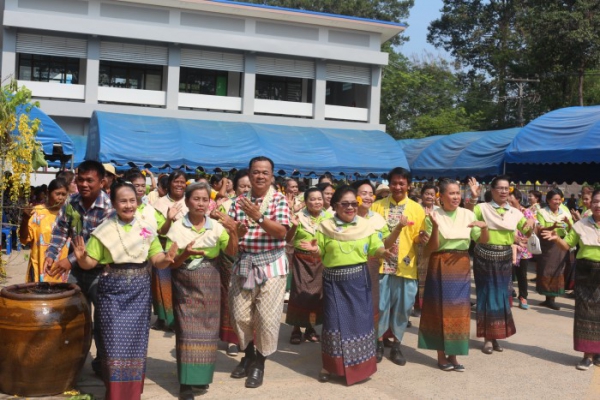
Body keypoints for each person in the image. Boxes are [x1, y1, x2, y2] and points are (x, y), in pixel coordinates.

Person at [71, 180, 177, 400]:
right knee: (113, 346)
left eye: (132, 201)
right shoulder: (104, 230)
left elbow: (156, 259)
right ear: (114, 203)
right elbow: (91, 262)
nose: (128, 205)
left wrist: (166, 259)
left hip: (139, 293)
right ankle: (116, 394)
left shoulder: (146, 229)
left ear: (137, 203)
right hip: (112, 294)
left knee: (136, 346)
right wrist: (81, 259)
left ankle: (131, 394)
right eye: (123, 201)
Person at [302, 185, 392, 385]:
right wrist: (314, 250)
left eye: (354, 203)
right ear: (335, 206)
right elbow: (321, 250)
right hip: (333, 281)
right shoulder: (325, 226)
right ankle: (330, 366)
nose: (350, 207)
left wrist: (382, 252)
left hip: (359, 280)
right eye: (345, 204)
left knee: (360, 324)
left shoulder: (366, 226)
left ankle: (360, 368)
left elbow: (376, 245)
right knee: (334, 324)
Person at [165, 182, 238, 399]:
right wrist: (185, 254)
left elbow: (231, 251)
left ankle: (201, 377)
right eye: (196, 199)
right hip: (185, 283)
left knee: (208, 331)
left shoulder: (216, 227)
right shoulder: (177, 227)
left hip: (211, 282)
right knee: (187, 331)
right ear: (187, 201)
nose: (200, 203)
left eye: (205, 199)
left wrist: (233, 232)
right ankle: (186, 384)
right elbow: (171, 263)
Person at [44, 160, 114, 376]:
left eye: (89, 180)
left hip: (100, 272)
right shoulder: (71, 202)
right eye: (80, 179)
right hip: (76, 273)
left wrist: (69, 260)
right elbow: (60, 231)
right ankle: (72, 361)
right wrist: (51, 254)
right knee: (74, 317)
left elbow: (97, 244)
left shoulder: (109, 210)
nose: (83, 184)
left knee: (102, 322)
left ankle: (102, 362)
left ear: (102, 182)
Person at [227, 156, 290, 389]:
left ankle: (258, 363)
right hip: (244, 262)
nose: (260, 176)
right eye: (256, 172)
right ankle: (249, 354)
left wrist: (258, 217)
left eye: (265, 172)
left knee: (266, 318)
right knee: (239, 315)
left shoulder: (279, 200)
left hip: (271, 265)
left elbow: (282, 232)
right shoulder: (238, 201)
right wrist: (236, 231)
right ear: (250, 174)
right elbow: (232, 237)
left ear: (271, 176)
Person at [418, 178, 488, 371]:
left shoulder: (467, 214)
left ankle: (454, 355)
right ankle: (441, 356)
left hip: (461, 265)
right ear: (441, 196)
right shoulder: (432, 216)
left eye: (458, 193)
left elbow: (481, 240)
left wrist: (485, 228)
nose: (456, 197)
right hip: (439, 264)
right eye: (451, 193)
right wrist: (436, 228)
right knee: (439, 310)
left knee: (460, 311)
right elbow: (431, 248)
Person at [468, 175, 535, 354]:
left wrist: (532, 223)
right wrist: (473, 196)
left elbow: (526, 231)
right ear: (492, 190)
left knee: (501, 296)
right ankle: (488, 338)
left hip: (505, 257)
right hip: (484, 255)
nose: (505, 191)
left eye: (507, 189)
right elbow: (467, 216)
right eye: (501, 188)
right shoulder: (482, 208)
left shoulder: (515, 212)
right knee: (486, 294)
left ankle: (496, 335)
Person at [371, 167, 427, 366]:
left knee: (403, 308)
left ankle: (396, 346)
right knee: (381, 306)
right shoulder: (377, 207)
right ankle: (378, 344)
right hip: (381, 264)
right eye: (394, 183)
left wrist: (421, 238)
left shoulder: (416, 209)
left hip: (406, 265)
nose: (397, 187)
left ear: (408, 185)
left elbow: (419, 236)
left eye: (402, 183)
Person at [542, 189, 600, 371]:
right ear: (590, 204)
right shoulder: (581, 224)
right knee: (586, 314)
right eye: (596, 201)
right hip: (586, 272)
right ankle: (588, 356)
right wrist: (556, 239)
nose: (598, 205)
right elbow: (568, 244)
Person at [285, 187, 332, 344]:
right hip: (301, 260)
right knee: (299, 293)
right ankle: (296, 329)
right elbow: (287, 239)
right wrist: (293, 226)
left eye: (319, 198)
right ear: (305, 202)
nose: (317, 202)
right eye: (312, 199)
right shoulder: (298, 217)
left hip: (320, 261)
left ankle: (311, 328)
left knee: (316, 296)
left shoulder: (329, 217)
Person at [215, 168, 250, 357]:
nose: (246, 189)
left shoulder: (258, 206)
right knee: (230, 297)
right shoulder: (226, 206)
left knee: (249, 299)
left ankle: (249, 339)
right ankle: (231, 339)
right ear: (234, 188)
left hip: (252, 257)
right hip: (230, 256)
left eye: (249, 186)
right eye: (242, 186)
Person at [151, 171, 189, 331]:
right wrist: (169, 219)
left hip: (186, 250)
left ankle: (180, 318)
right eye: (176, 181)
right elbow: (159, 231)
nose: (179, 185)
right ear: (170, 184)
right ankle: (165, 318)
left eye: (182, 182)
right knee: (162, 285)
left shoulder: (191, 201)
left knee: (182, 286)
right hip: (164, 249)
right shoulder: (159, 204)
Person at [353, 179, 389, 329]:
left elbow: (386, 241)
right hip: (350, 267)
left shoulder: (378, 219)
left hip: (372, 269)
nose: (368, 197)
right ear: (355, 196)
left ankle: (367, 343)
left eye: (370, 194)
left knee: (371, 303)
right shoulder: (347, 217)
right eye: (363, 193)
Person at [20, 178, 70, 282]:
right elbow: (24, 239)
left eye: (63, 194)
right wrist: (25, 220)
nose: (60, 198)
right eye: (57, 194)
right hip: (39, 267)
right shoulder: (37, 212)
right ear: (48, 193)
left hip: (61, 270)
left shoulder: (70, 214)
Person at [536, 188, 573, 310]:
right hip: (547, 245)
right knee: (545, 270)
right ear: (548, 200)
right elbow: (541, 228)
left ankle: (552, 298)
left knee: (558, 270)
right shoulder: (541, 212)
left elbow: (572, 231)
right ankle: (547, 297)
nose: (557, 202)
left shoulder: (565, 212)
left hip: (560, 244)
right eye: (554, 199)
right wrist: (553, 226)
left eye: (559, 199)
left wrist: (568, 223)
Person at [415, 183, 439, 316]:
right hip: (418, 246)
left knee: (432, 275)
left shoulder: (438, 210)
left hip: (434, 246)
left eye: (432, 194)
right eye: (427, 193)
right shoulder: (416, 209)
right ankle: (418, 305)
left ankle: (429, 305)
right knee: (418, 276)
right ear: (422, 195)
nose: (429, 196)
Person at [508, 188, 534, 310]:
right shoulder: (506, 211)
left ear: (517, 199)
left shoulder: (526, 212)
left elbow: (532, 230)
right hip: (508, 246)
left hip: (523, 249)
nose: (508, 199)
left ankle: (523, 296)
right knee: (507, 273)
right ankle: (507, 296)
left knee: (522, 275)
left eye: (510, 197)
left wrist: (531, 222)